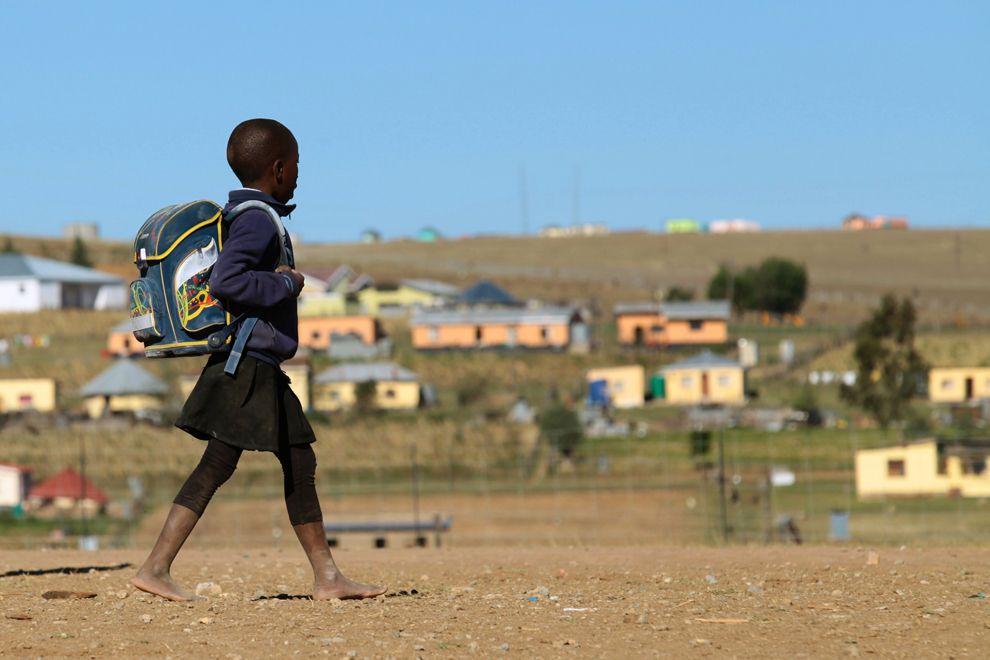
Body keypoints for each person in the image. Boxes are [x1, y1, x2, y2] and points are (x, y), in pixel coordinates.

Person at [133, 119, 386, 602]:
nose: (298, 174)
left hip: (255, 363)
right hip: (246, 363)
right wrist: (287, 283)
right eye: (295, 165)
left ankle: (327, 577)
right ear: (278, 168)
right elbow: (227, 281)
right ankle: (156, 567)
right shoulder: (255, 219)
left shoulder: (249, 214)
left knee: (293, 459)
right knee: (223, 464)